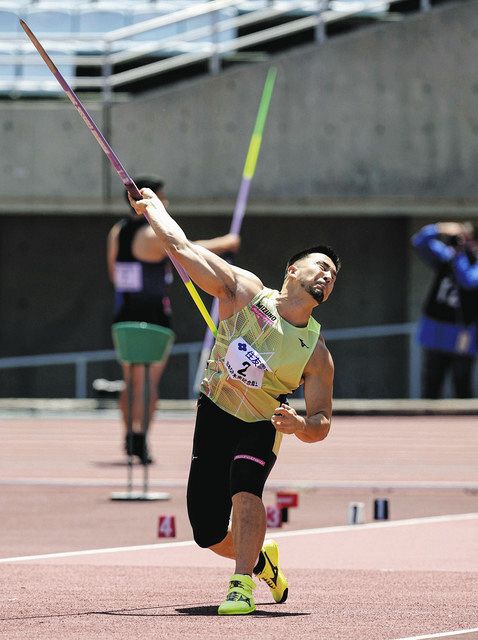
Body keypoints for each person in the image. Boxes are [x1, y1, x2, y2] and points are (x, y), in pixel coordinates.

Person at [129, 186, 340, 615]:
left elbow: (321, 422)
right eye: (320, 267)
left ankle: (240, 586)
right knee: (207, 531)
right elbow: (183, 249)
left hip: (262, 424)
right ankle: (262, 560)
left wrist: (300, 427)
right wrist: (154, 211)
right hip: (215, 414)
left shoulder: (316, 352)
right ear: (292, 269)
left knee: (246, 489)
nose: (326, 277)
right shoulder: (243, 292)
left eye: (332, 277)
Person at [107, 177, 240, 463]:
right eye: (161, 198)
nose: (165, 203)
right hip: (152, 316)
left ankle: (131, 434)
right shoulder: (150, 234)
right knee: (147, 382)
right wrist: (226, 243)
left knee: (131, 380)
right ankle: (140, 437)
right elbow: (184, 247)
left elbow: (114, 274)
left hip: (124, 313)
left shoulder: (118, 232)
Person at [411, 221, 478, 399]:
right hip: (436, 328)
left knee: (462, 383)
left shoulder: (462, 259)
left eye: (468, 240)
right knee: (431, 383)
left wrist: (458, 255)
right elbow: (419, 242)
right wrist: (440, 228)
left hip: (463, 332)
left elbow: (468, 280)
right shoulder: (448, 256)